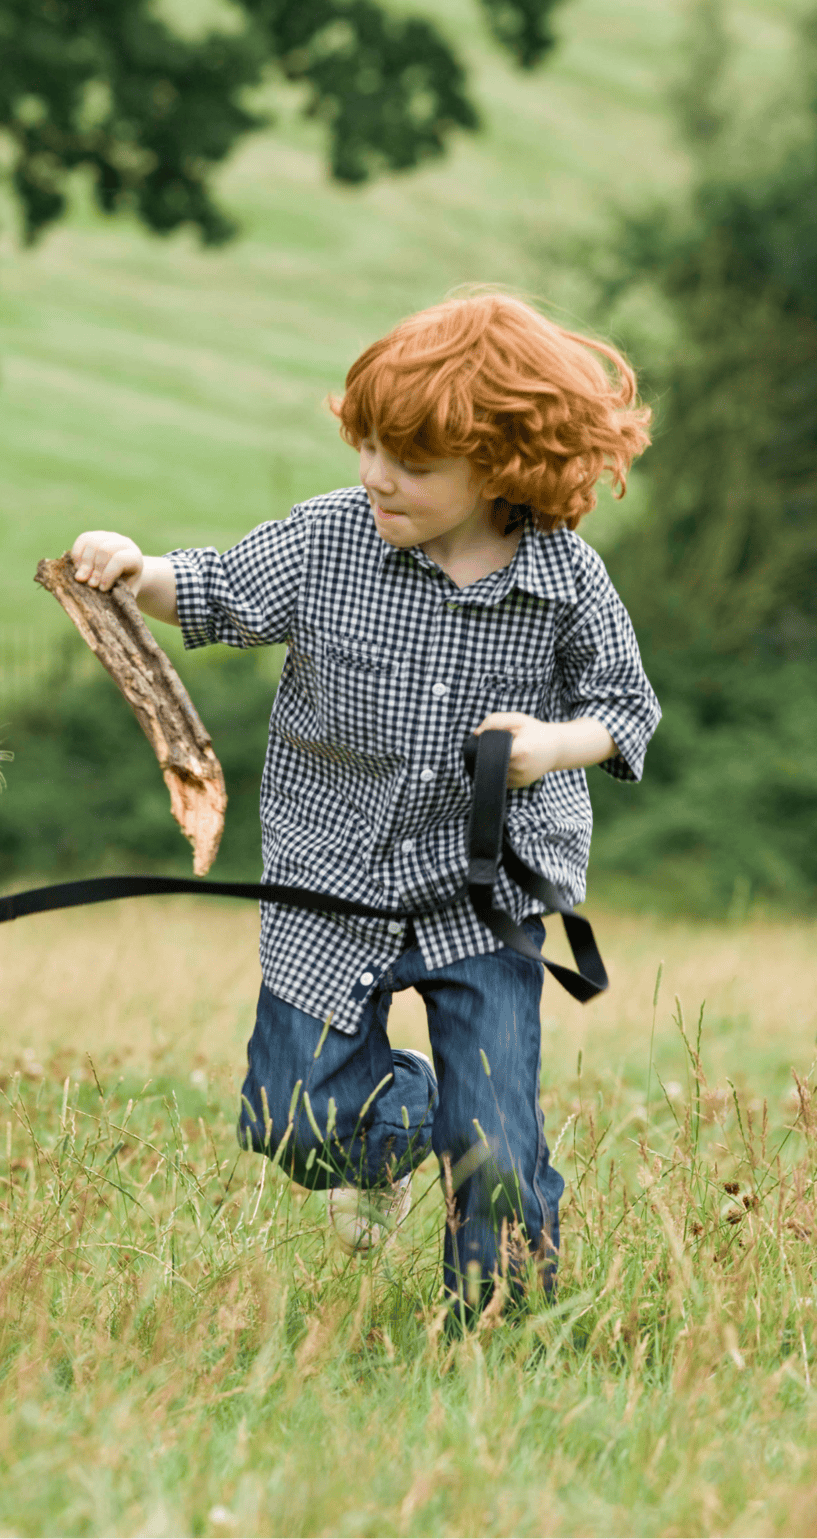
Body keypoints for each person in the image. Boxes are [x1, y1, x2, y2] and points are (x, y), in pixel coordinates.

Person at [69, 291, 660, 1318]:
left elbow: (627, 709)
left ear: (505, 468)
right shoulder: (331, 540)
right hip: (329, 880)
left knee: (500, 1142)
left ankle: (502, 1329)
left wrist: (552, 745)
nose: (377, 475)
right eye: (369, 445)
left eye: (414, 463)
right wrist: (138, 572)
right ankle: (399, 1130)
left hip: (483, 895)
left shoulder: (568, 582)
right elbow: (214, 590)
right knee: (292, 1114)